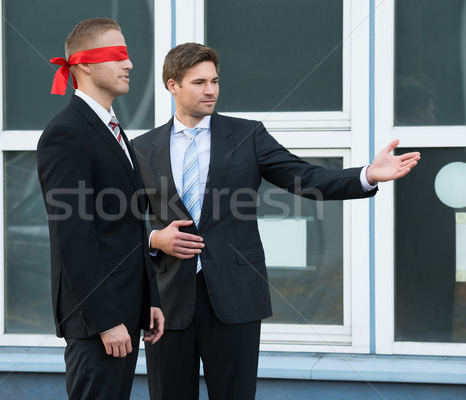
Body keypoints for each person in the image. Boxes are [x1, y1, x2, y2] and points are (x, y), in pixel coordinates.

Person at [131, 42, 420, 400]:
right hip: (168, 300)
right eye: (199, 82)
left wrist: (367, 175)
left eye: (215, 81)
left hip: (236, 296)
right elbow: (120, 223)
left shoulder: (248, 136)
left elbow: (307, 178)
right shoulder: (142, 147)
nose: (211, 90)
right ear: (172, 85)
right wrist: (155, 239)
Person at [37, 18, 164, 400]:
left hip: (124, 310)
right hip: (97, 321)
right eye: (118, 54)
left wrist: (149, 299)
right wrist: (105, 320)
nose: (129, 65)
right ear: (84, 64)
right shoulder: (68, 132)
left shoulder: (112, 129)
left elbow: (126, 224)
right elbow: (73, 235)